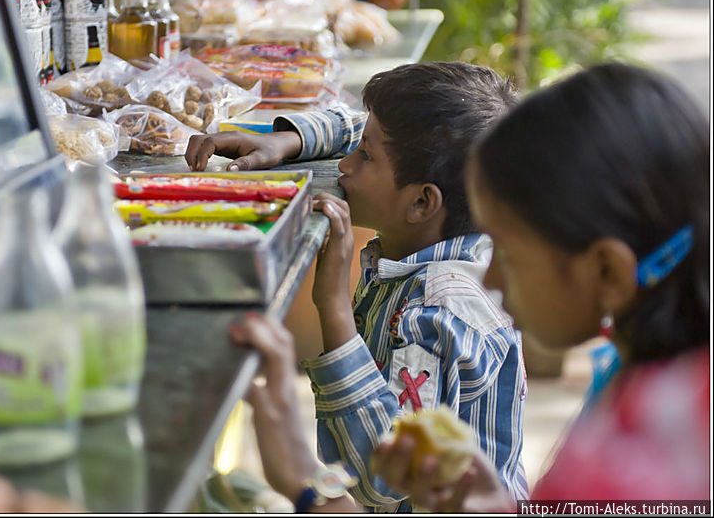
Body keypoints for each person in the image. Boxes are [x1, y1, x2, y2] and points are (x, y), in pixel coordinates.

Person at [370, 62, 710, 510]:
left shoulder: (636, 460)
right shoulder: (653, 365)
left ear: (608, 271)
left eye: (508, 255)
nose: (490, 278)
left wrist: (310, 488)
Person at [192, 62, 529, 511]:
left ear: (422, 201)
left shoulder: (430, 315)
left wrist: (332, 307)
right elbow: (363, 126)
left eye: (365, 156)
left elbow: (380, 479)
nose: (345, 165)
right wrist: (291, 139)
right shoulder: (464, 223)